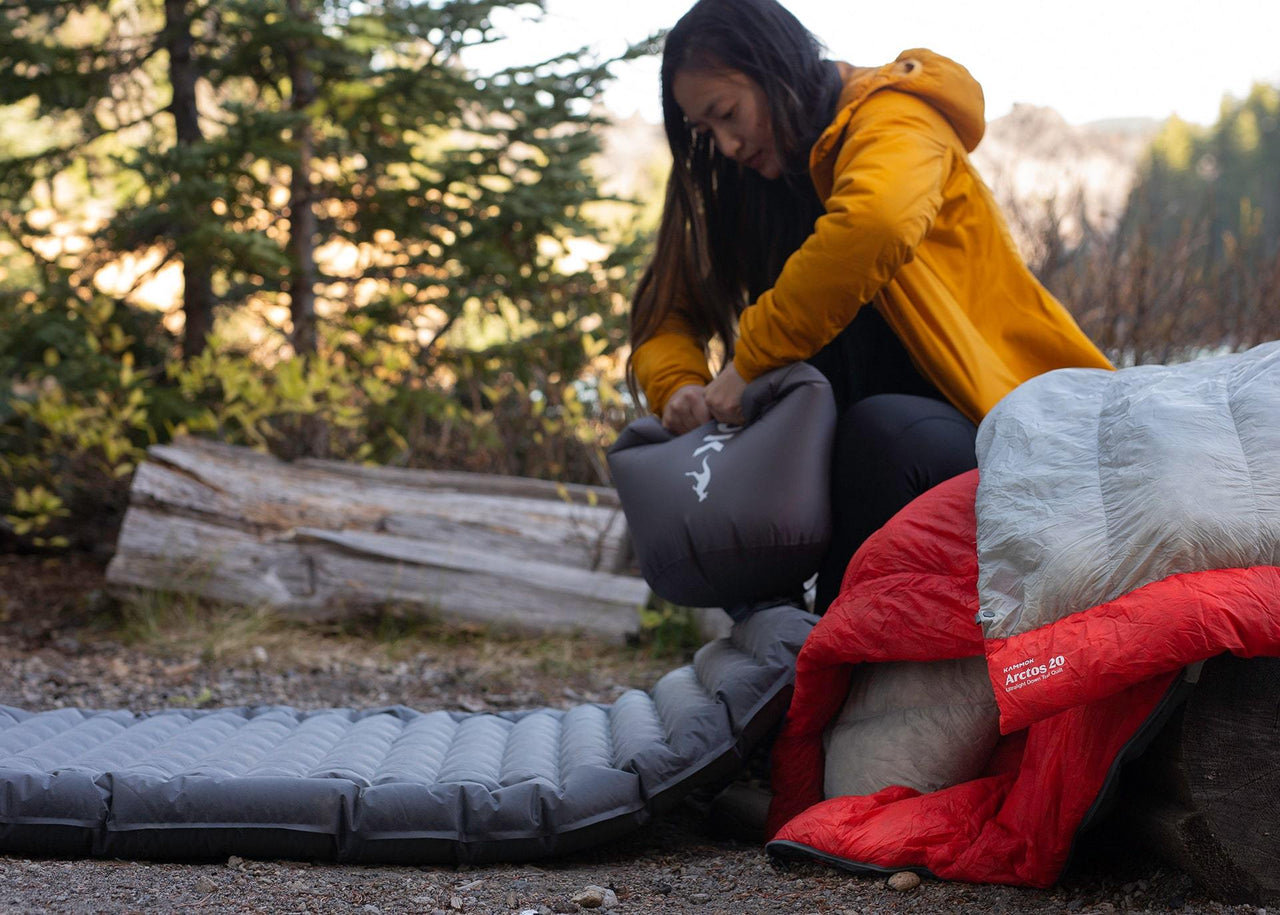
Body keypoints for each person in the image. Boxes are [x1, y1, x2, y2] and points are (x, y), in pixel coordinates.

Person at [626, 0, 1113, 613]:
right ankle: (781, 663)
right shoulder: (738, 186)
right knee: (739, 485)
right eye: (704, 132)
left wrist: (750, 361)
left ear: (774, 68)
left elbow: (877, 223)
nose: (724, 144)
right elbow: (665, 313)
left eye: (728, 114)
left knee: (881, 433)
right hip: (829, 447)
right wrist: (679, 386)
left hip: (984, 429)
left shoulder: (893, 117)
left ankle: (833, 672)